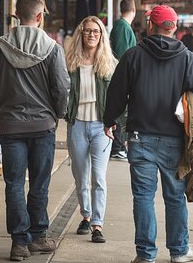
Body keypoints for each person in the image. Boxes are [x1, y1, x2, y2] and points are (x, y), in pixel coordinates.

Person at [104, 5, 193, 263]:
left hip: (139, 138)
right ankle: (178, 252)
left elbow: (117, 94)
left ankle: (145, 255)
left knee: (143, 196)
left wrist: (109, 121)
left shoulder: (133, 56)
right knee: (174, 196)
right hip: (174, 140)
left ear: (150, 26)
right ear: (173, 28)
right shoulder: (186, 58)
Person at [0, 0, 70, 262]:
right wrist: (57, 114)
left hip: (11, 128)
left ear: (17, 15)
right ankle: (39, 236)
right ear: (40, 17)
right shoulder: (53, 49)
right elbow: (62, 87)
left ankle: (19, 243)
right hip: (43, 127)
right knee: (40, 183)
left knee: (14, 184)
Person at [64, 16, 117, 244]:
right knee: (80, 175)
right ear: (81, 34)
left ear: (102, 35)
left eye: (96, 31)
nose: (92, 35)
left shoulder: (108, 64)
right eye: (87, 31)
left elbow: (119, 95)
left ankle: (97, 224)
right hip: (76, 124)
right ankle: (85, 215)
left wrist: (115, 121)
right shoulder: (71, 63)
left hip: (100, 128)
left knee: (99, 177)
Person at [108, 0, 137, 161]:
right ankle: (117, 147)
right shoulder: (122, 28)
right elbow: (120, 55)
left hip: (122, 75)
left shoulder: (122, 27)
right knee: (119, 110)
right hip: (120, 75)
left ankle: (119, 146)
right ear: (133, 9)